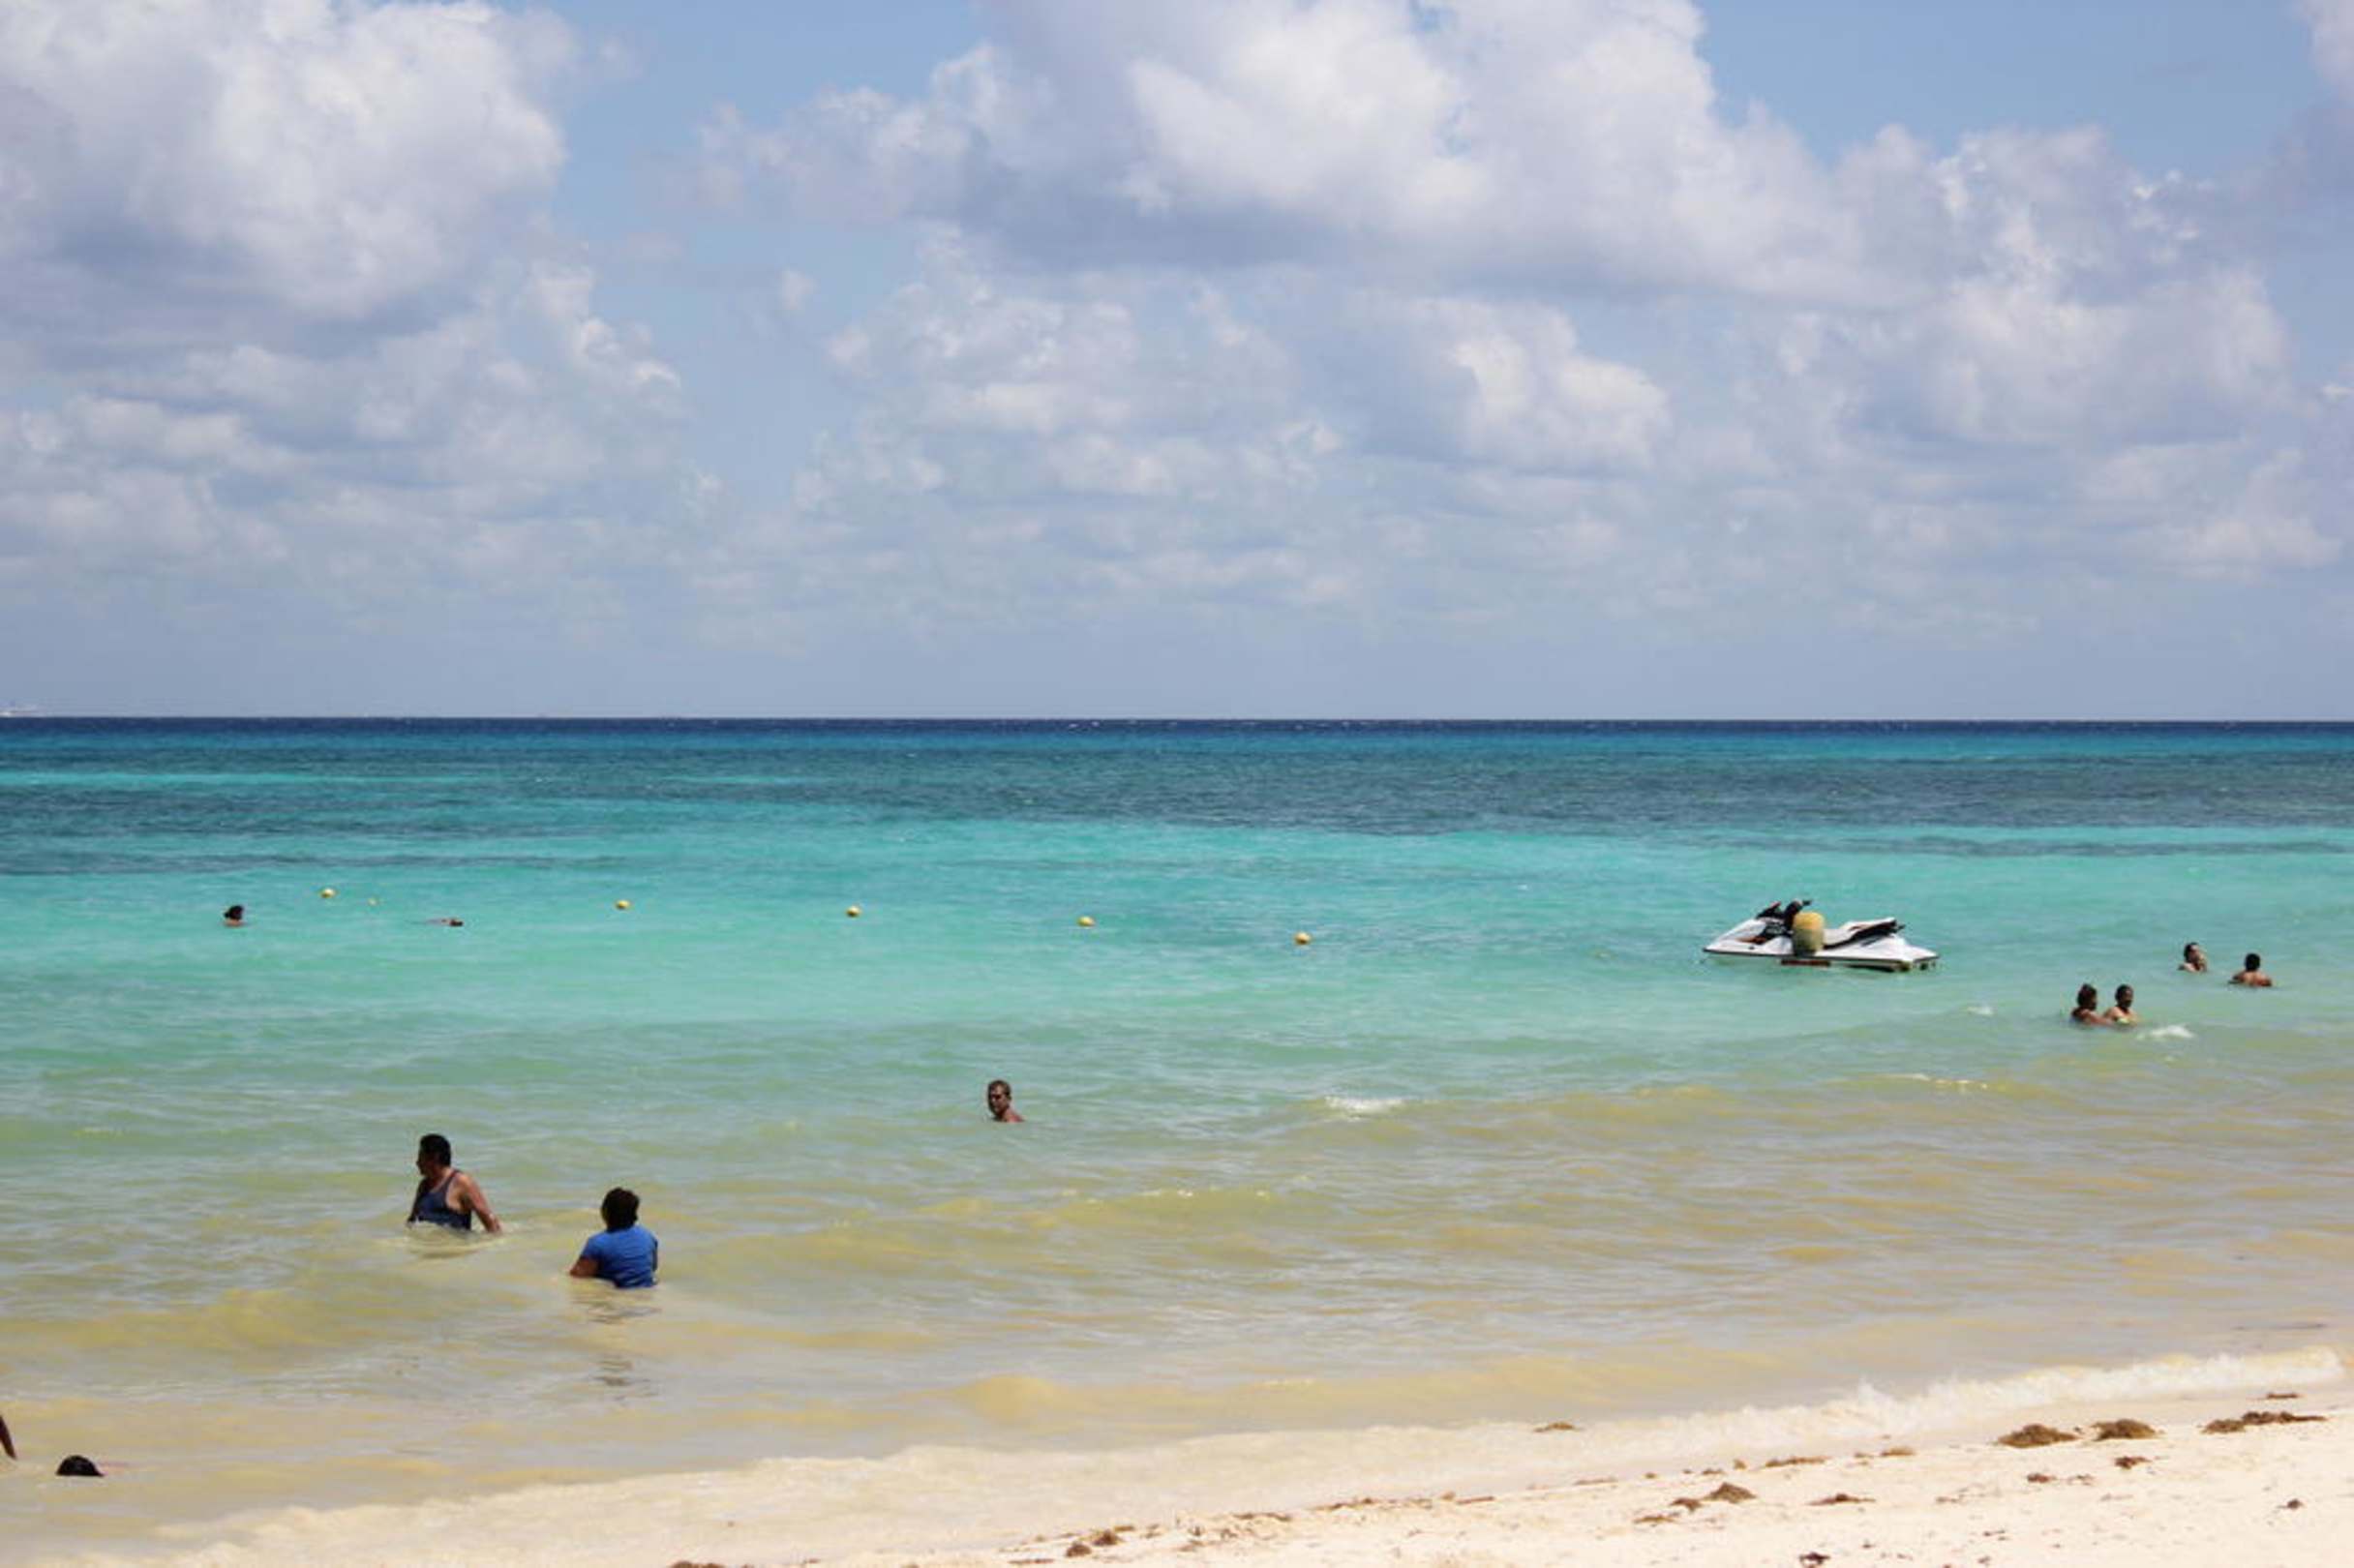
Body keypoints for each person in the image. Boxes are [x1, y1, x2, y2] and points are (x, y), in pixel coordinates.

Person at [407, 1133, 500, 1233]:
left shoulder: (462, 1182)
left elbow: (490, 1221)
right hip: (426, 1243)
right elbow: (411, 1221)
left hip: (456, 1243)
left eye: (420, 1157)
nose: (417, 1163)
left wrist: (494, 1242)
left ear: (434, 1157)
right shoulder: (424, 1186)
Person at [571, 1188, 658, 1288]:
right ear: (634, 1215)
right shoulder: (648, 1236)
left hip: (619, 1296)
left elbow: (577, 1279)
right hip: (648, 1293)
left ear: (605, 1212)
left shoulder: (597, 1244)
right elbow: (653, 1268)